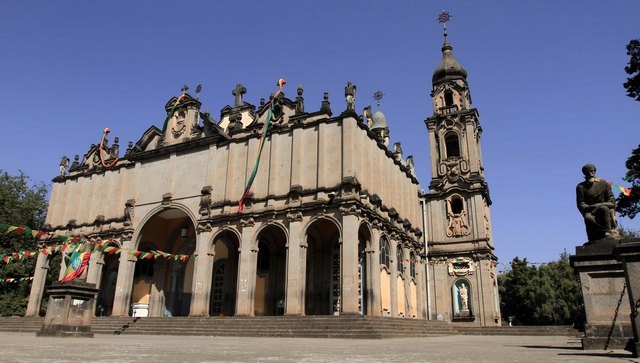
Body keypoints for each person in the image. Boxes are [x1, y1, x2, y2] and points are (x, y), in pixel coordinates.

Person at [576, 164, 617, 241]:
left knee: (603, 209)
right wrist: (589, 207)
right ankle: (592, 238)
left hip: (603, 208)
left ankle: (607, 232)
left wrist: (600, 204)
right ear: (584, 173)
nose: (590, 174)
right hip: (590, 210)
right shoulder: (580, 186)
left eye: (591, 171)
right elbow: (580, 203)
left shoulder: (604, 184)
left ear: (595, 171)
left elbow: (612, 202)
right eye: (587, 172)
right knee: (588, 218)